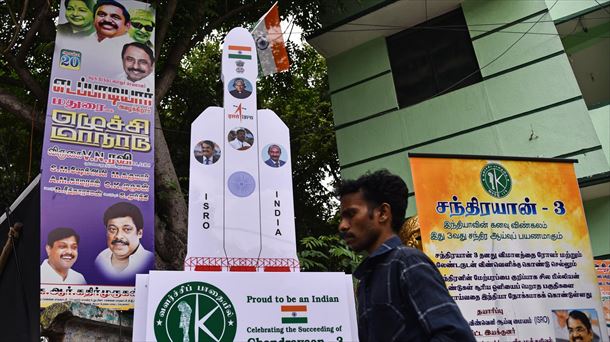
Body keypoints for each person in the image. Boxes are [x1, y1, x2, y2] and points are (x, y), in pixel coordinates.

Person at [337, 170, 475, 341]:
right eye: (341, 217)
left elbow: (455, 337)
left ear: (383, 213)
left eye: (351, 214)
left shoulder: (407, 262)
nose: (342, 226)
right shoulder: (366, 279)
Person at [95, 202, 154, 280]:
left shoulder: (150, 260)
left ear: (139, 233)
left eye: (127, 229)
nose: (118, 236)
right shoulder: (101, 258)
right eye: (112, 229)